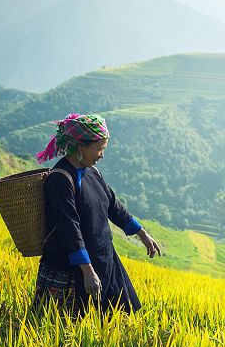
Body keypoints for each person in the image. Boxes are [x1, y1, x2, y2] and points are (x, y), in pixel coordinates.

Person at [30, 113, 161, 316]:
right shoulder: (61, 179)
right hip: (74, 267)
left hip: (105, 259)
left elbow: (113, 207)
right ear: (80, 146)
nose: (101, 155)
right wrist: (87, 271)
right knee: (69, 326)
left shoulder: (92, 172)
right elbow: (69, 227)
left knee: (121, 319)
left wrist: (142, 234)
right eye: (99, 149)